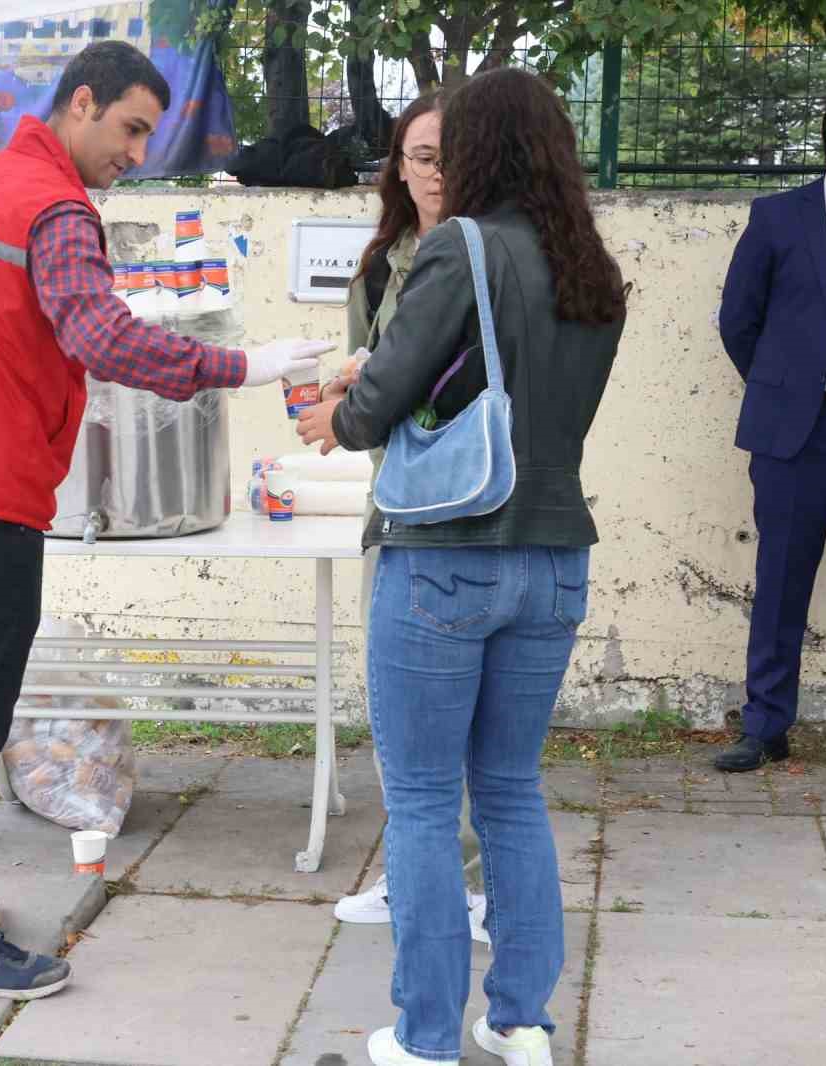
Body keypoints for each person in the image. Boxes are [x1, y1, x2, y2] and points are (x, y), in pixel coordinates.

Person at [0, 40, 331, 1003]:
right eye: (128, 129)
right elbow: (100, 335)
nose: (136, 154)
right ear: (81, 102)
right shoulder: (57, 207)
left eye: (148, 137)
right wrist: (245, 366)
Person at [297, 68, 627, 1066]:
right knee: (511, 790)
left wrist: (334, 414)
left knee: (427, 801)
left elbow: (378, 398)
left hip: (444, 559)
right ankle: (520, 1022)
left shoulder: (460, 250)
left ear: (482, 148)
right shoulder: (593, 272)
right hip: (556, 557)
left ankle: (428, 1036)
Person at [328, 91, 488, 947]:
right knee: (401, 710)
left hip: (477, 506)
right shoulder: (382, 265)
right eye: (418, 156)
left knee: (475, 722)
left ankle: (470, 883)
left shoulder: (495, 255)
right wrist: (344, 390)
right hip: (400, 501)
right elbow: (369, 387)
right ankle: (418, 877)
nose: (433, 173)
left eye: (448, 155)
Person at [714, 83, 826, 773]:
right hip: (798, 430)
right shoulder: (778, 219)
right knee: (780, 580)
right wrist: (786, 390)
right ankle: (767, 725)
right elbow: (738, 322)